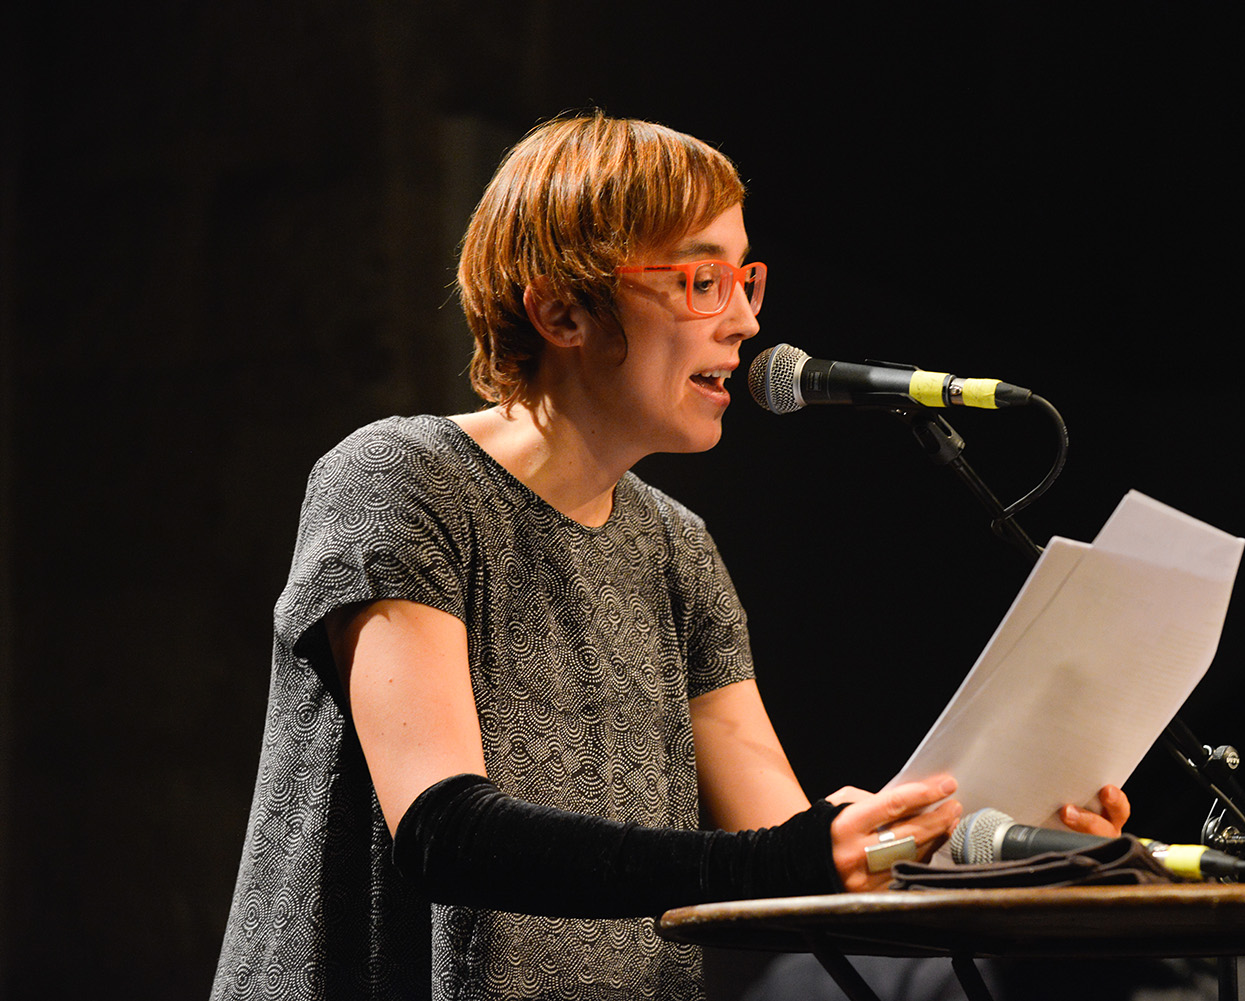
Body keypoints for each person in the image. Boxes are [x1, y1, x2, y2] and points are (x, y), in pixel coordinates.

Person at [210, 111, 1129, 1001]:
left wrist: (1003, 852)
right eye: (702, 281)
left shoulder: (677, 545)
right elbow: (444, 831)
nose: (745, 322)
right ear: (561, 309)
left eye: (745, 279)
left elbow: (790, 854)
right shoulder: (401, 478)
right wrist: (797, 855)